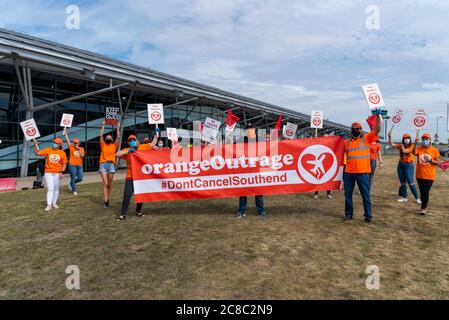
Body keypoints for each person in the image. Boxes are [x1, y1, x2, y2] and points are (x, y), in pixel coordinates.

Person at [343, 112, 382, 222]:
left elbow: (377, 129)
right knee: (348, 195)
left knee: (365, 195)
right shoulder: (347, 142)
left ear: (361, 130)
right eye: (353, 129)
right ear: (351, 130)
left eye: (357, 128)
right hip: (349, 173)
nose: (355, 130)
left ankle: (368, 215)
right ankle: (348, 214)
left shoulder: (366, 139)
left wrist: (378, 116)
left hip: (363, 172)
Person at [115, 134, 158, 221]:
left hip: (140, 176)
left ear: (137, 140)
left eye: (133, 140)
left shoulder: (142, 147)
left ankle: (138, 211)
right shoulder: (127, 150)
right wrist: (129, 151)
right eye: (130, 141)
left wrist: (156, 135)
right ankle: (123, 214)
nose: (132, 141)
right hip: (130, 176)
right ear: (128, 143)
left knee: (140, 194)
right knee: (127, 195)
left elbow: (153, 143)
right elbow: (117, 154)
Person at [237, 123, 266, 218]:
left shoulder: (260, 140)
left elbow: (268, 150)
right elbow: (230, 149)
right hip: (244, 170)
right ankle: (241, 211)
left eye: (251, 128)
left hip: (256, 170)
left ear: (255, 129)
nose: (250, 130)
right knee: (243, 192)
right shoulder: (241, 140)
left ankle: (261, 211)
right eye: (248, 128)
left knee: (258, 191)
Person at [33, 137, 68, 212]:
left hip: (57, 173)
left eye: (56, 143)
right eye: (54, 142)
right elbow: (37, 153)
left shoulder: (62, 153)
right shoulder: (48, 150)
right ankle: (49, 205)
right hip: (48, 173)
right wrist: (35, 144)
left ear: (59, 145)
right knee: (50, 188)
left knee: (56, 188)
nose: (54, 144)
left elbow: (64, 164)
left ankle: (54, 203)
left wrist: (62, 172)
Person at [388, 130, 421, 204]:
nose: (407, 139)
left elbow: (405, 151)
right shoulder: (400, 145)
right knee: (402, 182)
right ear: (403, 139)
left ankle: (417, 198)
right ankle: (404, 197)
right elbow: (391, 144)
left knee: (410, 182)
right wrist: (389, 136)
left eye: (408, 138)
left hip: (409, 166)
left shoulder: (412, 146)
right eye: (405, 138)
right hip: (401, 165)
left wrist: (415, 144)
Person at [413, 133, 440, 215]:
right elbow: (414, 153)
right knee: (422, 191)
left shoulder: (434, 150)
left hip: (430, 176)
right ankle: (423, 206)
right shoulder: (419, 149)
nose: (425, 141)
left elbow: (437, 163)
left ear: (430, 140)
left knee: (425, 191)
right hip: (419, 175)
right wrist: (415, 144)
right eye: (423, 139)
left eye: (426, 139)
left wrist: (430, 160)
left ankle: (423, 208)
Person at [99, 121, 120, 208]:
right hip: (103, 164)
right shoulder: (103, 144)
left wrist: (118, 127)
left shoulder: (114, 145)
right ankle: (106, 201)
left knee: (109, 184)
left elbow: (118, 136)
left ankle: (108, 198)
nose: (108, 137)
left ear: (111, 139)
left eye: (109, 137)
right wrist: (103, 125)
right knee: (105, 183)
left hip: (111, 165)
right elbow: (100, 136)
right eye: (107, 137)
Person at [63, 127, 85, 195]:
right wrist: (65, 132)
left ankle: (71, 184)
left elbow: (82, 156)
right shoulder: (71, 147)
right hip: (72, 165)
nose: (76, 144)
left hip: (79, 165)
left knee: (80, 178)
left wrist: (78, 149)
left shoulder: (81, 148)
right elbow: (67, 139)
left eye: (77, 143)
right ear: (73, 143)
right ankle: (74, 190)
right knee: (73, 177)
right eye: (75, 143)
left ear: (79, 143)